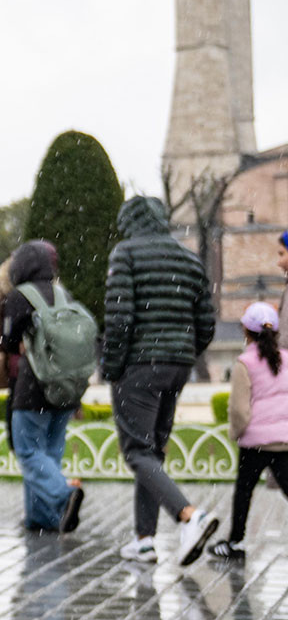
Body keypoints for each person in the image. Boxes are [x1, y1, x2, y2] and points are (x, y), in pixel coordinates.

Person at [102, 195, 218, 567]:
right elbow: (207, 323)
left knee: (137, 451)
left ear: (131, 222)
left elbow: (119, 317)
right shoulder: (189, 259)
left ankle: (189, 515)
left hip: (139, 364)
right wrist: (184, 352)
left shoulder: (126, 254)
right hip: (178, 366)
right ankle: (144, 541)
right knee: (152, 454)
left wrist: (113, 367)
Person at [0, 240, 86, 533]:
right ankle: (42, 518)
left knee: (28, 451)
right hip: (64, 389)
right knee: (49, 453)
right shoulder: (64, 294)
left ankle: (63, 495)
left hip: (32, 388)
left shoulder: (18, 297)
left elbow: (8, 343)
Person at [211, 302, 288, 560]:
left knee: (244, 492)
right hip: (284, 440)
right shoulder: (286, 359)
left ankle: (236, 542)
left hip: (255, 442)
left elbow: (239, 409)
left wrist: (237, 432)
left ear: (246, 330)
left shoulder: (245, 363)